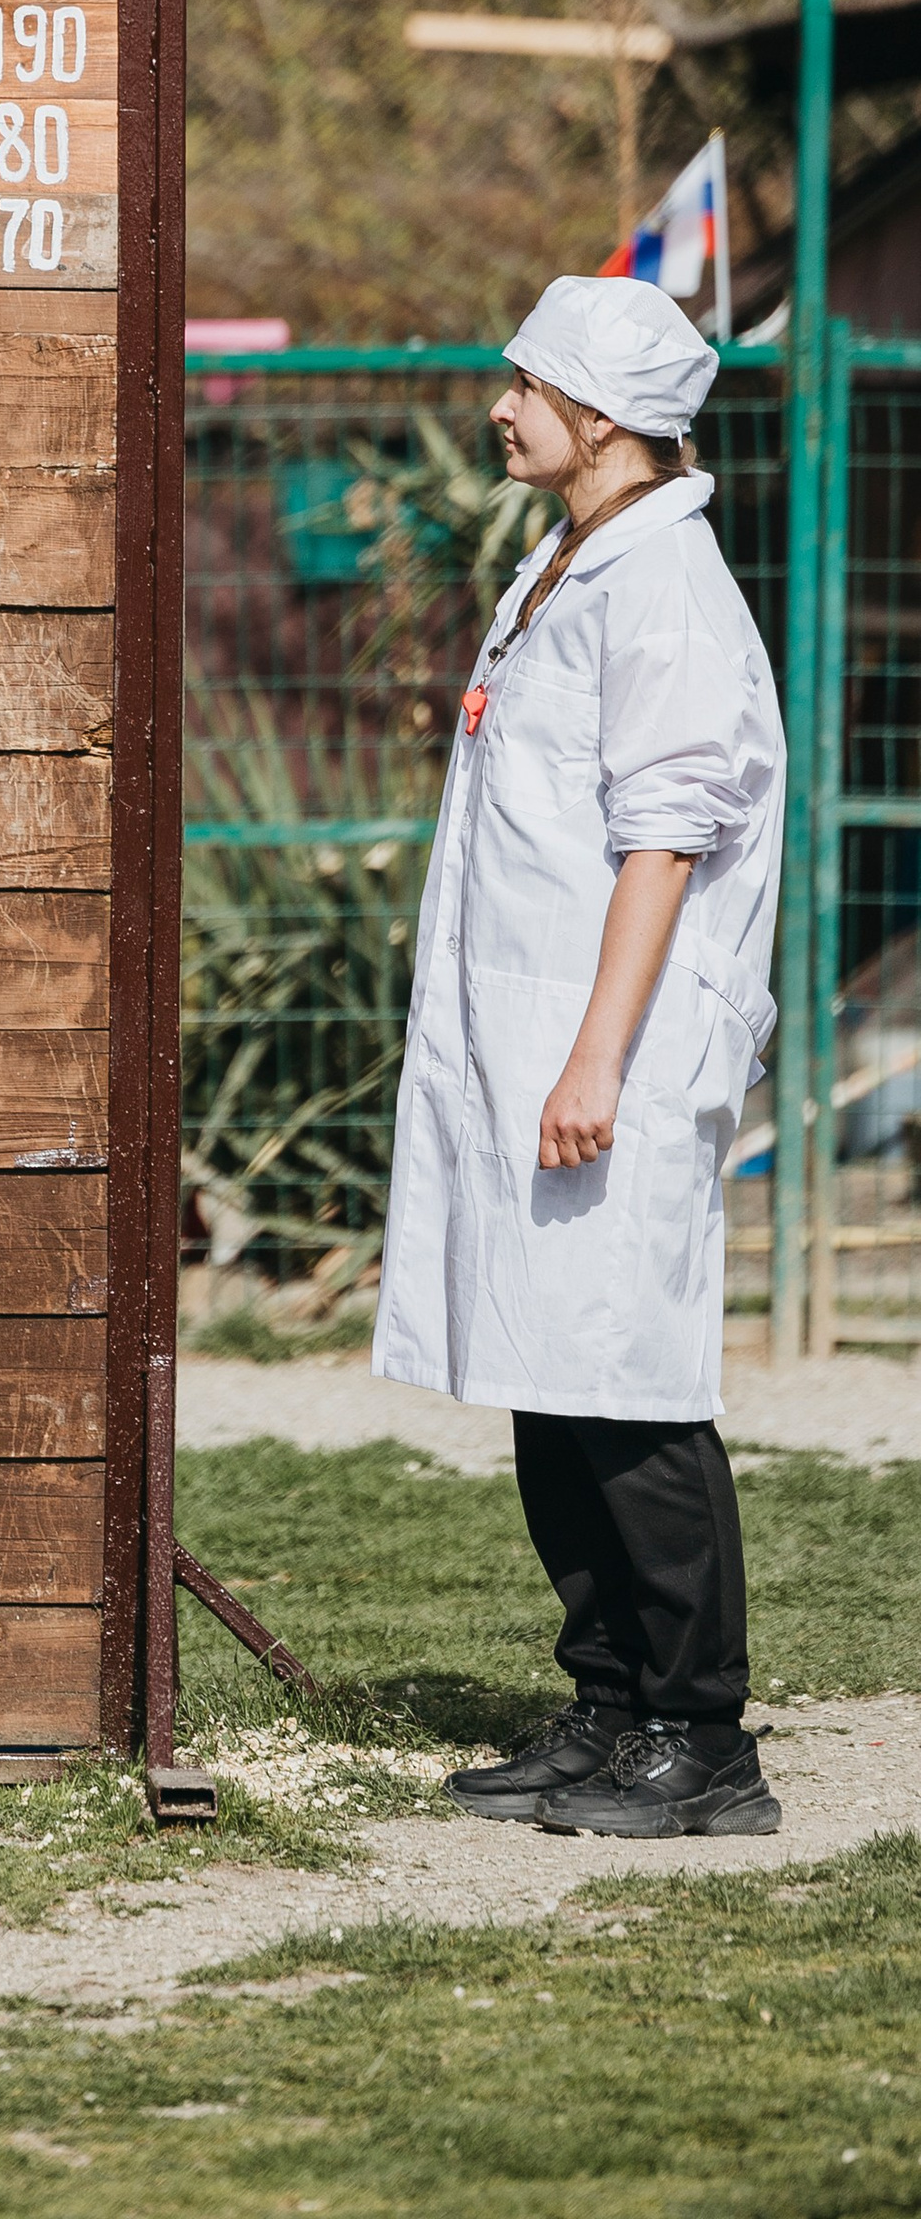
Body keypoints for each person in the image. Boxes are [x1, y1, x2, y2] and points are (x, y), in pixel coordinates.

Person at [372, 274, 784, 1839]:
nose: (501, 404)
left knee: (628, 1387)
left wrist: (599, 1058)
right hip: (530, 1037)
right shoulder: (574, 560)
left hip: (613, 1046)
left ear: (603, 420)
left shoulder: (666, 595)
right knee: (554, 1378)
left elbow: (665, 843)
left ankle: (701, 1735)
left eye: (526, 385)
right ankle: (607, 1706)